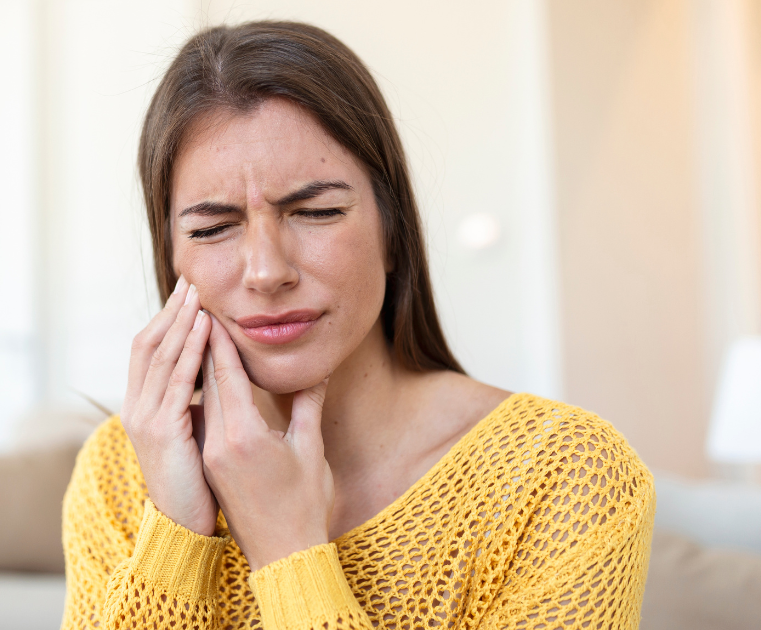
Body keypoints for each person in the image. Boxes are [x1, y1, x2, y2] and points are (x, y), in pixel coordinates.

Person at [61, 20, 654, 630]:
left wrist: (289, 552)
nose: (265, 272)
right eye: (212, 228)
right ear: (173, 258)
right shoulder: (119, 472)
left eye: (316, 212)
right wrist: (175, 541)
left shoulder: (565, 475)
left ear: (393, 233)